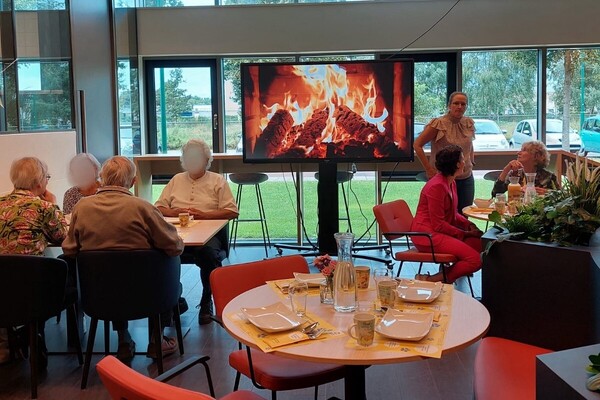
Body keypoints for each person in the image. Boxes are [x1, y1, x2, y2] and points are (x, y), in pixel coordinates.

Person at [62, 156, 184, 361]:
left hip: (99, 295)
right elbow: (174, 246)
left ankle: (123, 339)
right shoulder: (143, 208)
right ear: (133, 182)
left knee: (112, 277)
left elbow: (69, 249)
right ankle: (157, 340)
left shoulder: (82, 208)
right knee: (162, 267)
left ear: (101, 179)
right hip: (147, 294)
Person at [155, 138, 239, 325]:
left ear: (206, 159)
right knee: (159, 253)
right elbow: (158, 208)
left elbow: (232, 211)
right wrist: (174, 212)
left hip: (208, 233)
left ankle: (206, 299)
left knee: (208, 254)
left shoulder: (217, 180)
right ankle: (173, 301)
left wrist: (205, 215)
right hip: (178, 233)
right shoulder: (177, 180)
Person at [411, 145, 483, 283]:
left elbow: (453, 213)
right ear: (457, 164)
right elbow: (438, 225)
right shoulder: (437, 186)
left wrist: (469, 225)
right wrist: (465, 234)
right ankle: (431, 280)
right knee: (475, 260)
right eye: (463, 159)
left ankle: (442, 278)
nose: (465, 162)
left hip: (437, 232)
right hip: (427, 236)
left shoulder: (450, 182)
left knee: (480, 246)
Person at [414, 92, 476, 213]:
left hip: (466, 177)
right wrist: (428, 169)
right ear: (449, 105)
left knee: (464, 214)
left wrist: (471, 160)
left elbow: (469, 143)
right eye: (456, 103)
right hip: (444, 178)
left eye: (463, 104)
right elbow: (417, 145)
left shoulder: (468, 123)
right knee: (446, 215)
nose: (459, 107)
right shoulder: (438, 124)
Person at [0, 157, 67, 255]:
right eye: (47, 177)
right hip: (32, 268)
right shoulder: (44, 207)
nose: (47, 181)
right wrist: (54, 204)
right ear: (39, 182)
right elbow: (63, 238)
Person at [491, 140, 559, 198]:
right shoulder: (515, 174)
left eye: (523, 150)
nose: (518, 153)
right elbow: (495, 194)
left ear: (536, 156)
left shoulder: (548, 177)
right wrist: (506, 169)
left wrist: (547, 193)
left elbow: (561, 198)